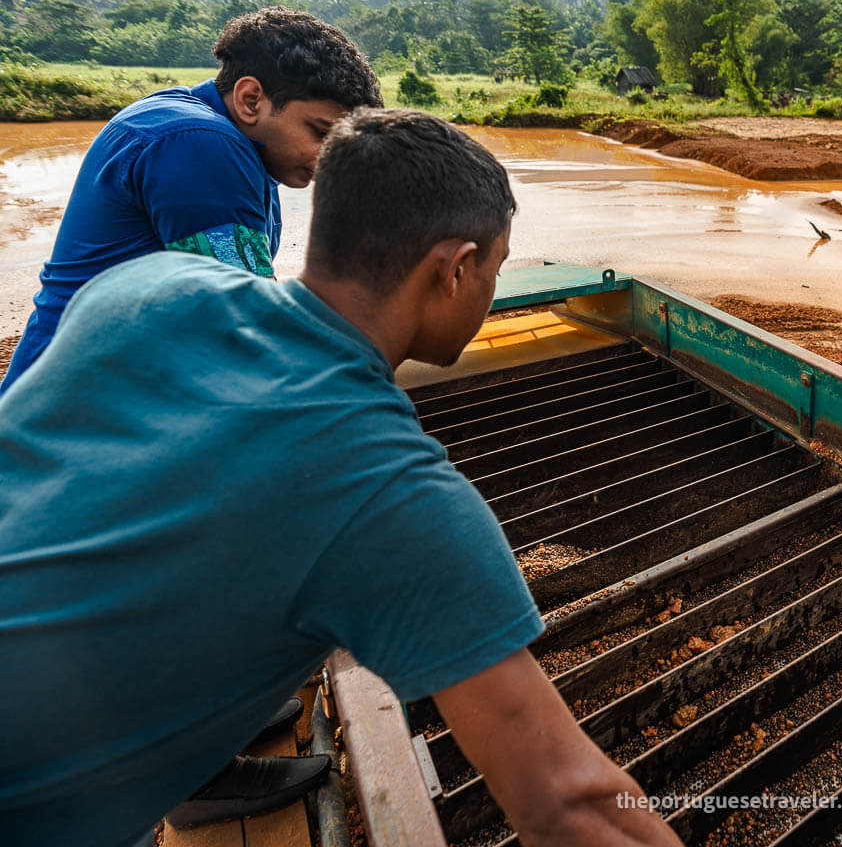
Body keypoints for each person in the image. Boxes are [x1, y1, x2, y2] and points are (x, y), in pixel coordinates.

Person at [0, 109, 681, 847]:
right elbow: (570, 806)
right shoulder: (390, 491)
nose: (490, 286)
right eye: (495, 264)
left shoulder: (144, 287)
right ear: (453, 269)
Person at [0, 5, 381, 395]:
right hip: (74, 410)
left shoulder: (219, 135)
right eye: (321, 133)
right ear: (251, 99)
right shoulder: (200, 141)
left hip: (99, 391)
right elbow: (246, 327)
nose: (332, 158)